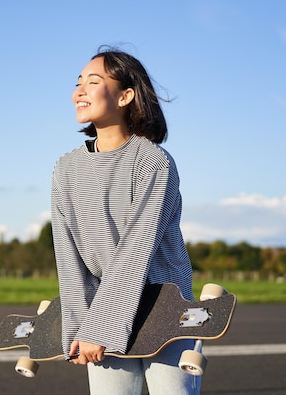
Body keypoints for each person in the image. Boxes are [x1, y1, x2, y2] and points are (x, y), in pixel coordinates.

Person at [51, 46, 199, 395]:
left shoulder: (152, 161)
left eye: (94, 81)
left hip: (165, 306)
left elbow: (136, 250)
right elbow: (68, 259)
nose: (80, 91)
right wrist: (78, 326)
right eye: (78, 83)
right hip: (106, 306)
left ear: (125, 96)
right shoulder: (66, 169)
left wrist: (98, 327)